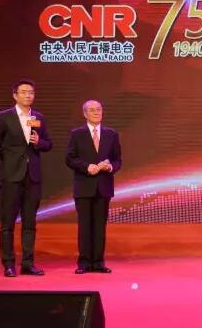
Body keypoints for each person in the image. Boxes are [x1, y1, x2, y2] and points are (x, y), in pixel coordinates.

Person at [0, 79, 52, 277]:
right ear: (15, 95)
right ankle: (8, 264)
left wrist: (39, 142)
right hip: (12, 176)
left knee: (29, 223)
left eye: (31, 92)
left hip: (32, 177)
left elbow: (48, 144)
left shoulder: (38, 117)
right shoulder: (4, 117)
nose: (28, 95)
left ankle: (28, 263)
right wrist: (11, 159)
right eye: (24, 92)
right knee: (7, 224)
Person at [66, 100, 121, 274]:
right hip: (84, 186)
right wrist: (86, 167)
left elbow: (117, 160)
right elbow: (70, 158)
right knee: (85, 226)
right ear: (85, 114)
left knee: (99, 226)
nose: (96, 112)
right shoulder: (77, 134)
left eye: (99, 109)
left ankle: (98, 262)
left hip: (104, 187)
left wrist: (109, 167)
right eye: (92, 110)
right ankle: (84, 263)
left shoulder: (111, 134)